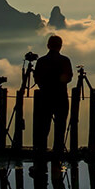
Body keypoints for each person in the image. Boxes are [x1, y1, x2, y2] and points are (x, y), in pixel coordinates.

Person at [33, 35, 73, 173]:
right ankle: (57, 159)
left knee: (43, 129)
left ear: (48, 46)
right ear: (60, 46)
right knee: (60, 128)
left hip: (44, 98)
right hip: (61, 97)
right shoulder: (65, 60)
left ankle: (40, 159)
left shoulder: (41, 61)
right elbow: (68, 78)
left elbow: (37, 78)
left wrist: (45, 85)